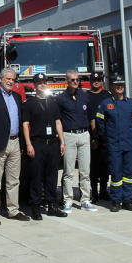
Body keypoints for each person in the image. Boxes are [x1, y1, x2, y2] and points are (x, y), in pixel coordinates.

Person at [0, 69, 29, 225]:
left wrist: (22, 144)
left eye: (13, 79)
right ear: (0, 79)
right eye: (8, 79)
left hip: (15, 142)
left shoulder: (17, 97)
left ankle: (13, 210)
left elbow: (21, 120)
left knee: (14, 180)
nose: (10, 81)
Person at [22, 73, 67, 220]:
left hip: (52, 144)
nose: (42, 85)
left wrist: (62, 141)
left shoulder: (52, 102)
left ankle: (52, 205)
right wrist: (28, 144)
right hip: (37, 144)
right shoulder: (29, 103)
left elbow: (58, 122)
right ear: (34, 86)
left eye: (44, 82)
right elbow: (25, 124)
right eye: (39, 83)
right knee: (36, 176)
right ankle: (36, 206)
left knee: (52, 176)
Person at [96, 74, 132, 212]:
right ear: (112, 86)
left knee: (128, 174)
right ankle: (115, 200)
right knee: (116, 174)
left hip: (129, 144)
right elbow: (99, 122)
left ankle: (127, 200)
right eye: (116, 84)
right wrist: (109, 135)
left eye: (121, 84)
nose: (119, 86)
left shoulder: (131, 103)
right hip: (114, 145)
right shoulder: (105, 103)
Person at [56, 69, 95, 213]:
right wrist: (62, 141)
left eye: (77, 79)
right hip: (69, 136)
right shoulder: (60, 99)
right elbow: (58, 121)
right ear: (67, 81)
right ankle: (67, 201)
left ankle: (85, 200)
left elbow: (91, 117)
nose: (75, 82)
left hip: (84, 135)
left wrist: (93, 136)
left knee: (85, 171)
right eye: (72, 80)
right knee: (68, 172)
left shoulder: (85, 96)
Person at [86, 71, 111, 203]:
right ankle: (94, 192)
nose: (96, 81)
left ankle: (103, 190)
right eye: (94, 80)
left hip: (105, 135)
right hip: (91, 136)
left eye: (98, 80)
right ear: (90, 81)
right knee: (93, 165)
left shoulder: (107, 95)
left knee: (105, 164)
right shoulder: (86, 96)